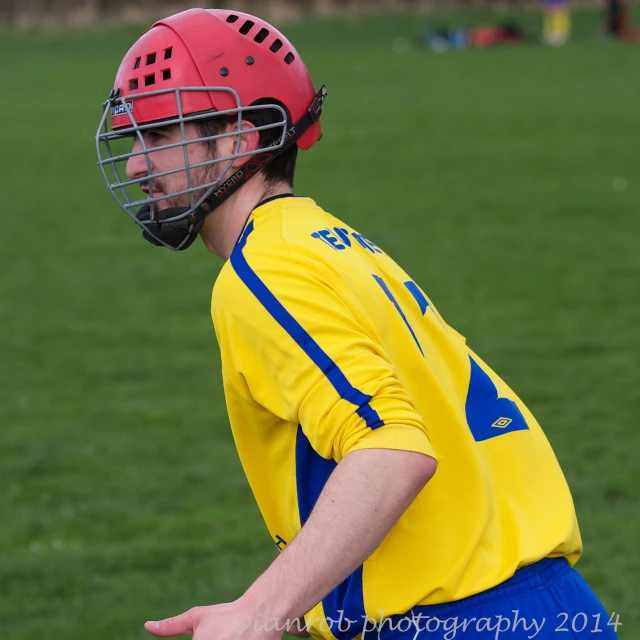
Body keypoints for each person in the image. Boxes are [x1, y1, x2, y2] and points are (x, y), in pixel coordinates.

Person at [96, 8, 619, 640]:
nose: (134, 166)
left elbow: (392, 450)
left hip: (457, 622)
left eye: (157, 136)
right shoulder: (328, 241)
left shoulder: (262, 272)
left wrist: (258, 612)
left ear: (239, 139)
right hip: (556, 604)